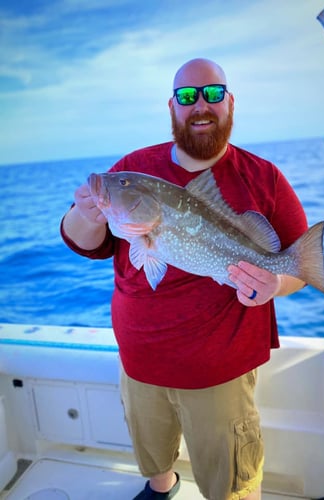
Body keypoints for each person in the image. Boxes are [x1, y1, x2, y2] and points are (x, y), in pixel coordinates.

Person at [61, 58, 308, 500]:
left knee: (230, 483)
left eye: (213, 94)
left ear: (230, 103)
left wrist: (276, 284)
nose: (201, 104)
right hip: (139, 362)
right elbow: (82, 242)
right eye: (187, 96)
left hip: (220, 368)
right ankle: (161, 488)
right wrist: (85, 212)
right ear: (172, 107)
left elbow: (299, 264)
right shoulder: (135, 167)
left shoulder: (264, 176)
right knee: (152, 456)